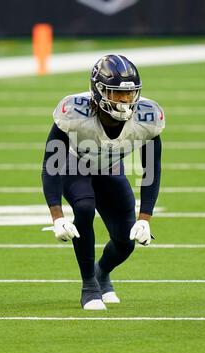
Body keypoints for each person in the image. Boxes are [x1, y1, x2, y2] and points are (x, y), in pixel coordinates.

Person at [42, 54, 165, 310]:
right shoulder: (74, 112)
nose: (125, 101)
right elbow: (51, 164)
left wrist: (145, 218)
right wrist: (57, 216)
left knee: (125, 241)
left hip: (109, 167)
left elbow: (151, 169)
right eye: (117, 94)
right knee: (84, 207)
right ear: (99, 91)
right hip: (73, 164)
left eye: (130, 95)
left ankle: (101, 273)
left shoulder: (147, 117)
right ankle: (89, 286)